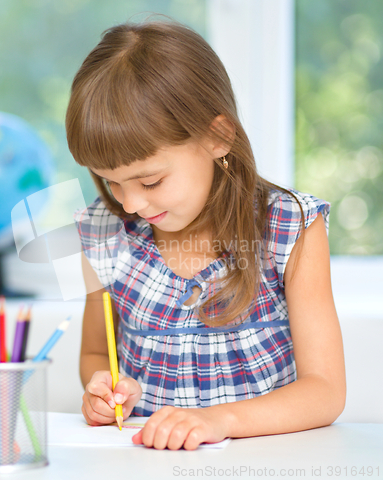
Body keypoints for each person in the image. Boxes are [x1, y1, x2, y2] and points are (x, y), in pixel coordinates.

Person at [66, 20, 346, 450]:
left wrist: (218, 420)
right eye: (111, 181)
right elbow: (96, 354)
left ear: (218, 136)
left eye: (151, 181)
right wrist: (105, 389)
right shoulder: (104, 233)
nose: (130, 205)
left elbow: (325, 391)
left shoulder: (291, 229)